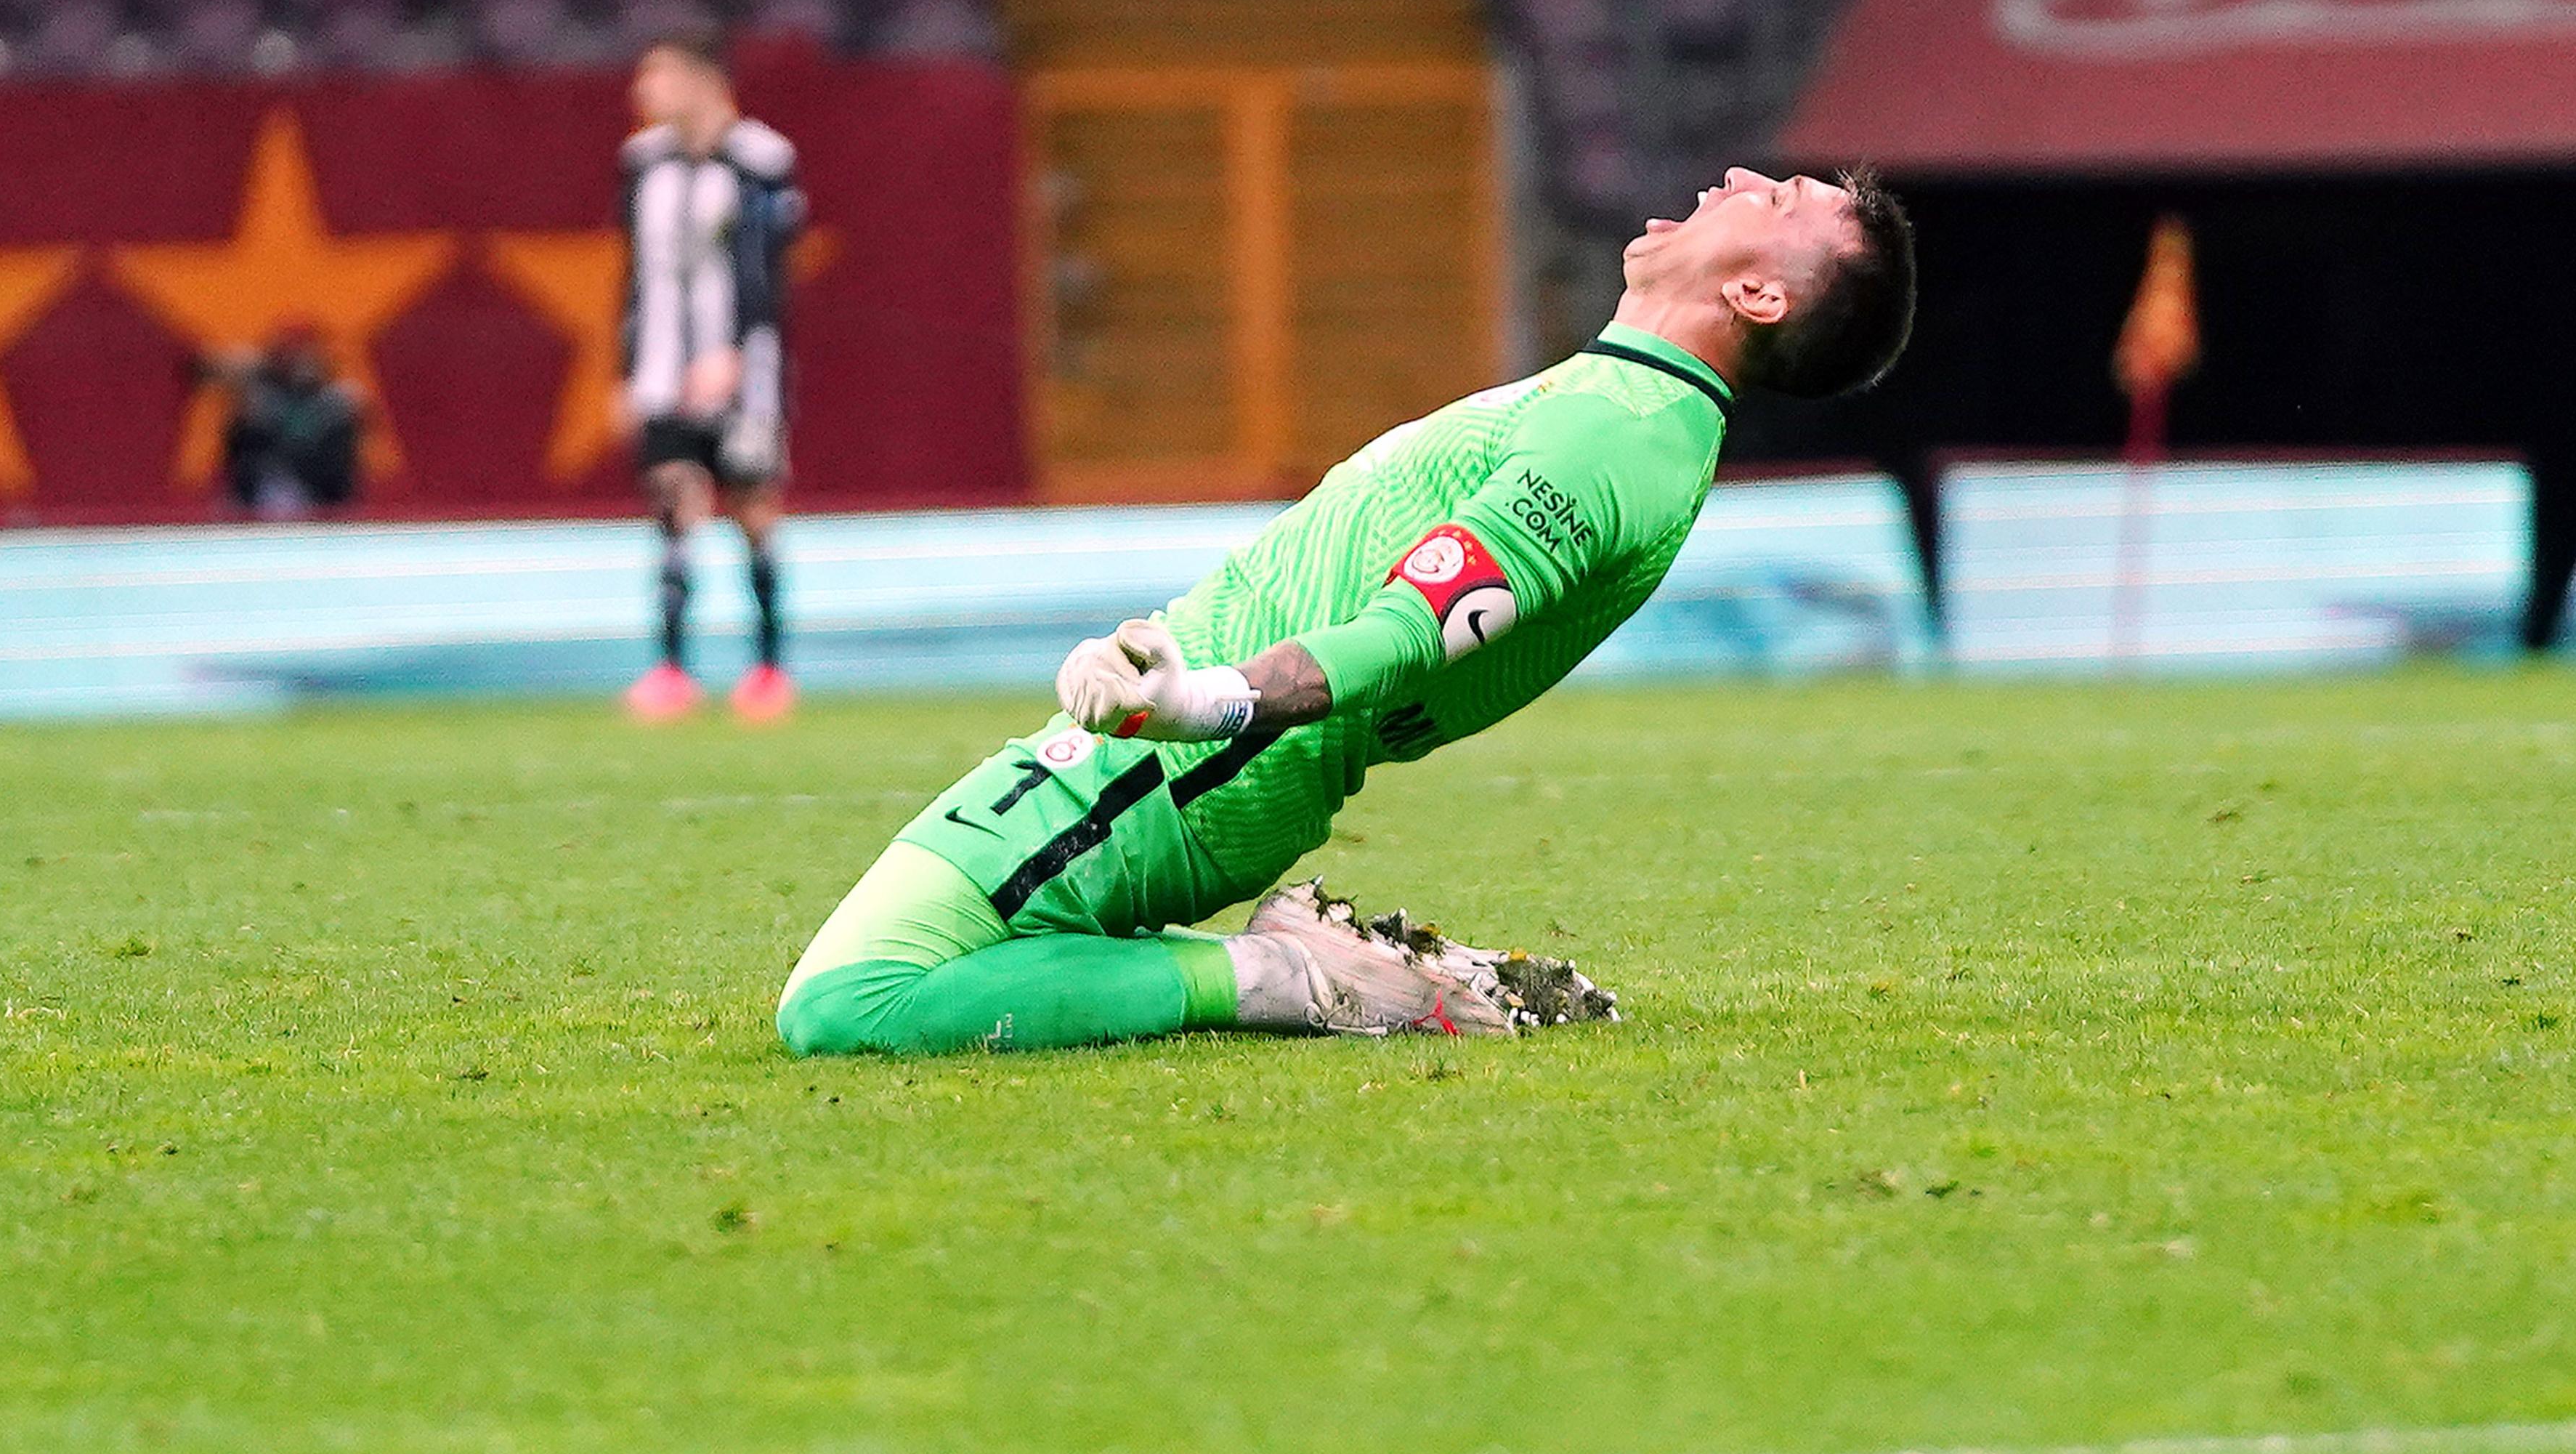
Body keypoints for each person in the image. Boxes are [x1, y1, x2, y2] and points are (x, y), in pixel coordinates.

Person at [777, 166, 1916, 1056]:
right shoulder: (1628, 409)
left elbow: (1408, 627)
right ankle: (1274, 968)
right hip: (1180, 755)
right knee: (920, 970)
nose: (1731, 179)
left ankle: (1280, 979)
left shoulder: (1617, 435)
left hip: (1194, 762)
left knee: (847, 1004)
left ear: (1759, 294)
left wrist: (1202, 699)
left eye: (1773, 200)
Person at [615, 28, 810, 723]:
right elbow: (635, 275)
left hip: (745, 374)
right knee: (673, 504)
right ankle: (670, 669)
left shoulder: (761, 159)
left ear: (700, 79)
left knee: (754, 510)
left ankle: (768, 667)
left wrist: (732, 347)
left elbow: (768, 266)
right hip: (663, 371)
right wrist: (624, 369)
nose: (643, 92)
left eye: (657, 75)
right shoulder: (641, 163)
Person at [201, 331, 364, 518]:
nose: (305, 364)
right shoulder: (261, 395)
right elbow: (206, 368)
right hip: (264, 491)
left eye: (311, 355)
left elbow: (338, 458)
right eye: (297, 356)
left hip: (323, 492)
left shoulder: (338, 398)